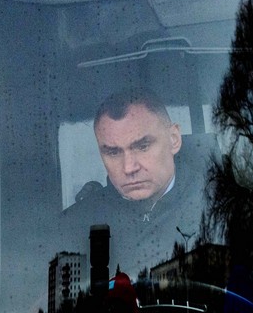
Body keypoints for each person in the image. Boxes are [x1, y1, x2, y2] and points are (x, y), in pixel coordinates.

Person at [62, 87, 208, 283]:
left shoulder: (224, 206)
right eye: (113, 152)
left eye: (143, 146)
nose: (129, 167)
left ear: (174, 139)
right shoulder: (74, 226)